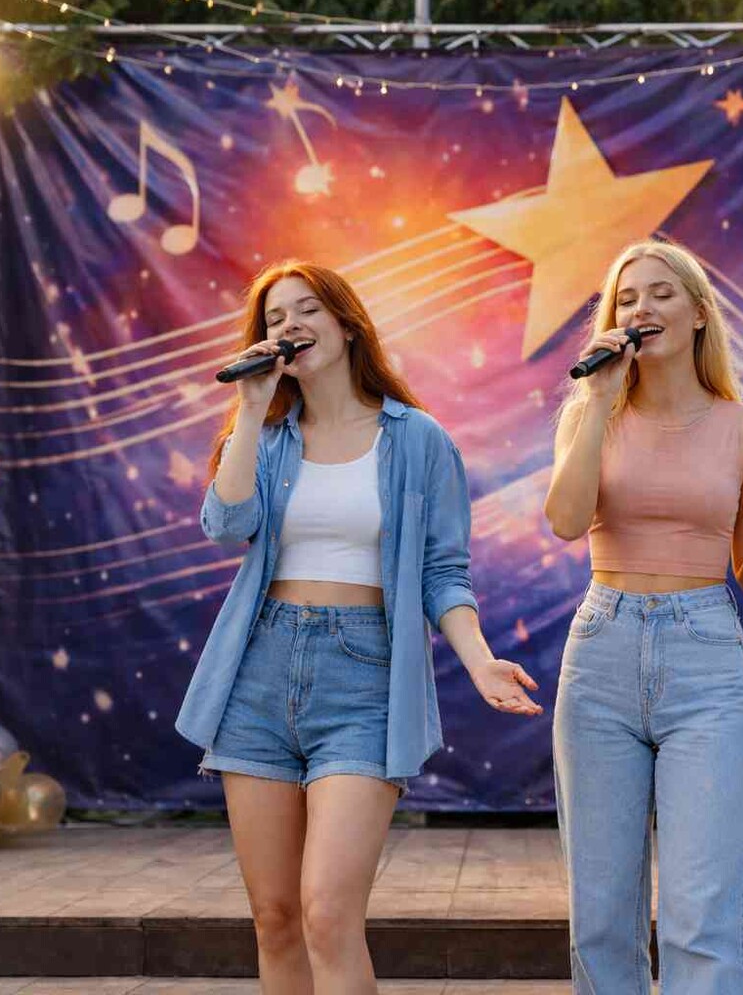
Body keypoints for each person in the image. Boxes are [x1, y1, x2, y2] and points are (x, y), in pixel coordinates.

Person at [176, 259, 542, 995]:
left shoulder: (417, 438)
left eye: (307, 309)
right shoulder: (267, 435)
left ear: (346, 325)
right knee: (275, 917)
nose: (291, 326)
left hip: (363, 675)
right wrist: (250, 409)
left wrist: (478, 660)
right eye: (275, 318)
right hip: (259, 670)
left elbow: (443, 571)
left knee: (327, 913)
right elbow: (226, 524)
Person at [543, 239, 743, 994]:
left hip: (705, 656)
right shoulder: (589, 413)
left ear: (699, 314)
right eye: (627, 297)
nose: (643, 307)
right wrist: (598, 401)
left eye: (661, 293)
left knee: (704, 908)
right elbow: (565, 522)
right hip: (602, 648)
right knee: (602, 910)